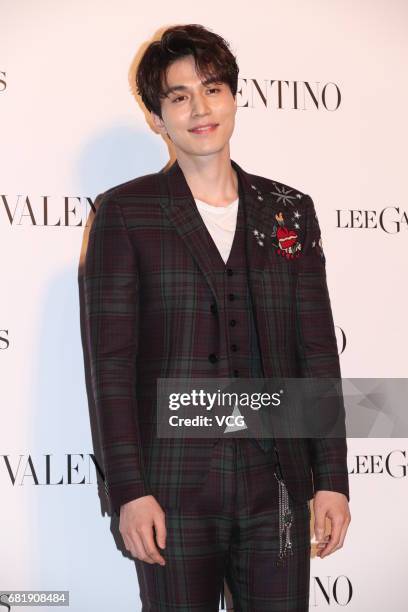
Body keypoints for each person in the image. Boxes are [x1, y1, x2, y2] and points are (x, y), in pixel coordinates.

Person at [83, 23, 351, 611]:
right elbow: (111, 367)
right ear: (156, 117)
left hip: (277, 482)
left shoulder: (289, 211)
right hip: (173, 486)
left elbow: (316, 351)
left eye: (212, 89)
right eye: (179, 96)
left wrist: (331, 477)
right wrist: (130, 491)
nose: (200, 109)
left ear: (233, 97)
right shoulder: (126, 213)